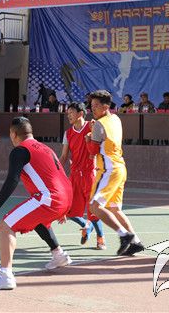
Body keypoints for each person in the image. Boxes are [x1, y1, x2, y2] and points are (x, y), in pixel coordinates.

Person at [0, 117, 73, 290]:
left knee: (6, 226)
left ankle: (5, 275)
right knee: (36, 219)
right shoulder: (45, 148)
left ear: (13, 134)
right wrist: (63, 207)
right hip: (65, 195)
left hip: (50, 198)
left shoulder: (20, 151)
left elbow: (12, 179)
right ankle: (58, 254)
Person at [86, 90, 144, 256]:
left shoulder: (99, 125)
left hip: (108, 169)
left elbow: (92, 152)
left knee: (94, 206)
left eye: (96, 106)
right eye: (92, 106)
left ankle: (124, 235)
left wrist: (88, 137)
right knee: (114, 208)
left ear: (105, 106)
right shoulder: (116, 118)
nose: (93, 109)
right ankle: (136, 242)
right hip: (119, 167)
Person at [59, 102, 106, 250]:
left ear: (80, 113)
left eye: (71, 113)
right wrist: (56, 170)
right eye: (67, 113)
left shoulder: (92, 127)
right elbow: (64, 156)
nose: (68, 115)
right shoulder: (68, 133)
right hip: (74, 175)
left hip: (90, 174)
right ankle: (87, 225)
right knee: (69, 211)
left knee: (93, 210)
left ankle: (100, 238)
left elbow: (100, 148)